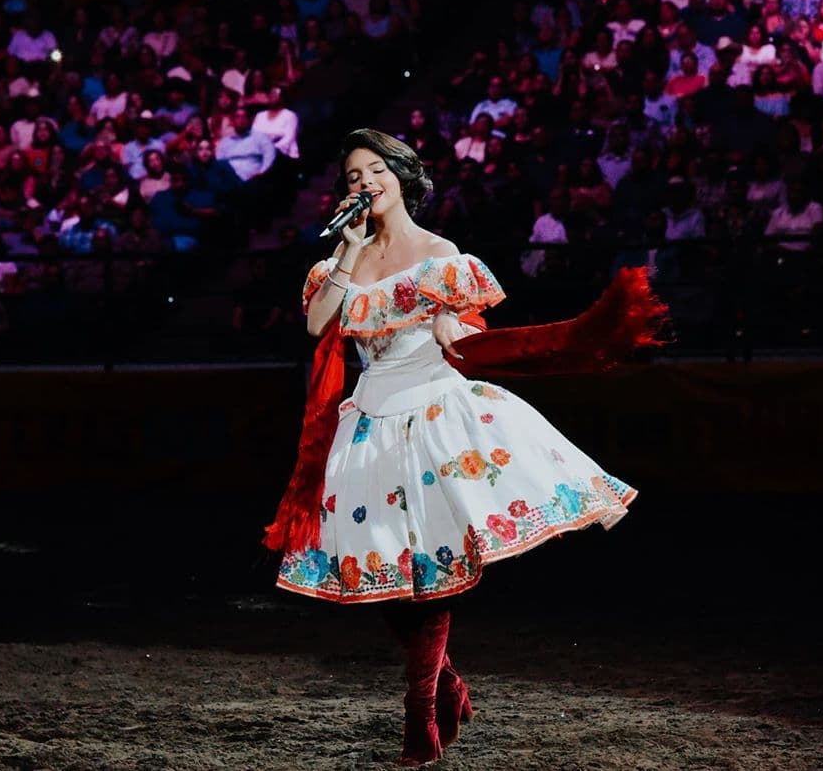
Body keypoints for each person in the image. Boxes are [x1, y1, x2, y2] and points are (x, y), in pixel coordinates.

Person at [266, 129, 662, 767]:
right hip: (368, 421)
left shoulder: (440, 254)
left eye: (374, 171)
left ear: (401, 177)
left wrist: (457, 327)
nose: (363, 183)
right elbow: (320, 324)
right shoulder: (340, 262)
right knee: (386, 575)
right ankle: (448, 681)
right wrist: (348, 251)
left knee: (434, 574)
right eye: (352, 176)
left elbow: (459, 331)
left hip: (433, 413)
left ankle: (419, 713)